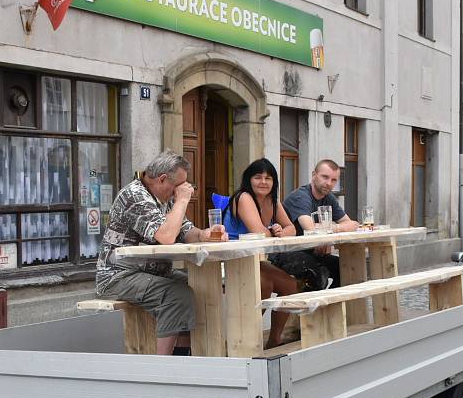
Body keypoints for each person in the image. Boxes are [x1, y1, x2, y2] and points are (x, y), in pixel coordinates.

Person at [96, 150, 227, 356]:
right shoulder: (134, 196)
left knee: (201, 287)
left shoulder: (166, 198)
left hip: (154, 273)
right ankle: (162, 366)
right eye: (180, 186)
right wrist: (183, 200)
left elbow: (185, 231)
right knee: (177, 295)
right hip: (118, 275)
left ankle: (185, 356)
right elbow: (166, 236)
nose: (184, 190)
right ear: (163, 179)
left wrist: (204, 234)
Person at [222, 158, 299, 350]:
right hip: (231, 259)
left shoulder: (273, 201)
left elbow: (292, 228)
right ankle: (243, 338)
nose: (263, 182)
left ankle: (274, 340)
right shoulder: (244, 197)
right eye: (258, 177)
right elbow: (258, 232)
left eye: (268, 178)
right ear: (249, 180)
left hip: (252, 259)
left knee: (290, 285)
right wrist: (276, 231)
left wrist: (281, 231)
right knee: (263, 286)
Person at [272, 159, 360, 289]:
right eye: (325, 177)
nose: (329, 183)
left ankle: (330, 306)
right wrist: (330, 232)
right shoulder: (301, 196)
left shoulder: (328, 197)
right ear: (314, 175)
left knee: (347, 268)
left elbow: (352, 224)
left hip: (310, 252)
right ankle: (308, 307)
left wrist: (327, 236)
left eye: (333, 180)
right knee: (317, 273)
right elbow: (311, 229)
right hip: (285, 253)